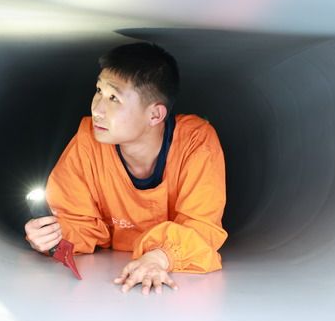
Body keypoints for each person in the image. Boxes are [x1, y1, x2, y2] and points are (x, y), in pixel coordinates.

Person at [24, 42, 228, 294]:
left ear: (155, 115)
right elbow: (79, 222)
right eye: (99, 90)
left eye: (114, 98)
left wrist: (161, 257)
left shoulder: (196, 142)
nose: (97, 109)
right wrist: (50, 237)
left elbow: (203, 227)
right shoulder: (88, 141)